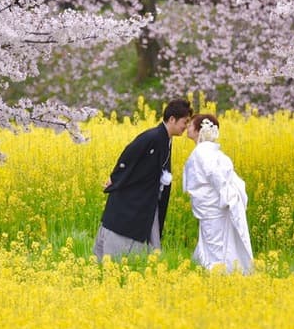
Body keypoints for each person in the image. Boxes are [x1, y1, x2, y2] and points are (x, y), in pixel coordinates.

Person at [93, 98, 193, 260]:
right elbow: (128, 155)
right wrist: (115, 178)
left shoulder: (165, 139)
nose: (186, 126)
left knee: (146, 234)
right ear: (172, 119)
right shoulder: (152, 137)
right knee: (124, 235)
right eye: (185, 122)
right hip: (134, 199)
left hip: (147, 198)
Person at [182, 112, 253, 273]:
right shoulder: (211, 151)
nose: (188, 127)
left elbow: (215, 175)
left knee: (214, 246)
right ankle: (221, 273)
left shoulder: (203, 151)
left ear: (199, 129)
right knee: (215, 243)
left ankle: (218, 275)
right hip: (210, 206)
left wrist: (225, 194)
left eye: (191, 124)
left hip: (212, 207)